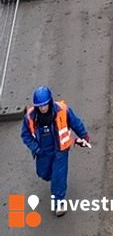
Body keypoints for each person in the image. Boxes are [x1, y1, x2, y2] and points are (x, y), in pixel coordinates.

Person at [21, 87, 90, 215]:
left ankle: (59, 202)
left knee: (59, 175)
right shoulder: (29, 117)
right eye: (40, 106)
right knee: (44, 173)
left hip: (60, 149)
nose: (42, 108)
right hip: (43, 152)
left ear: (50, 102)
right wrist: (36, 148)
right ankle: (55, 183)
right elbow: (25, 136)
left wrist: (83, 135)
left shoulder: (63, 110)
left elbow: (75, 122)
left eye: (44, 105)